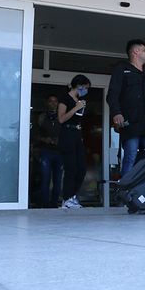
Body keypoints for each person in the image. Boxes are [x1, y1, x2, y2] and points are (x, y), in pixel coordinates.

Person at [107, 39, 145, 176]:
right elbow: (112, 94)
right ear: (136, 51)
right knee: (130, 157)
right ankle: (126, 194)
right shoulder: (121, 69)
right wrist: (116, 113)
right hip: (131, 123)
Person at [57, 75, 91, 209]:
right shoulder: (65, 98)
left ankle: (72, 196)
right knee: (70, 168)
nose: (85, 90)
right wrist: (76, 108)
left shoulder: (80, 100)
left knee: (81, 168)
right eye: (85, 87)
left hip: (77, 134)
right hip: (67, 133)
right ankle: (66, 199)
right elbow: (61, 119)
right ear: (79, 85)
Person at [36, 95, 62, 208]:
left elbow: (67, 134)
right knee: (45, 178)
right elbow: (34, 135)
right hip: (45, 151)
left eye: (55, 101)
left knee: (58, 180)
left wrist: (60, 140)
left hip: (59, 152)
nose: (53, 103)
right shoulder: (42, 117)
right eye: (50, 101)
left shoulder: (61, 117)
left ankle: (54, 204)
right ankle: (45, 205)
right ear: (47, 103)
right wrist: (45, 139)